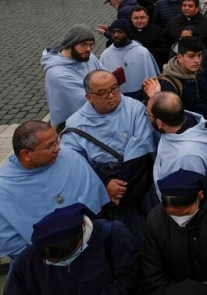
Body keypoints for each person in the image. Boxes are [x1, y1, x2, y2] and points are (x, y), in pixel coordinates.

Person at [0, 121, 109, 261]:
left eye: (57, 141)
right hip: (40, 265)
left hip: (89, 245)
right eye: (50, 146)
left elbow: (93, 199)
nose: (58, 148)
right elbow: (10, 244)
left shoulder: (70, 157)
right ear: (26, 154)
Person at [60, 70, 157, 241]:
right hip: (104, 191)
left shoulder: (135, 108)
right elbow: (75, 163)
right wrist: (104, 184)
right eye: (102, 93)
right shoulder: (75, 123)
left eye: (114, 89)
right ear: (89, 97)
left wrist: (118, 189)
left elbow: (141, 150)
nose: (111, 96)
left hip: (136, 185)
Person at [143, 169, 207, 294]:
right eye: (173, 215)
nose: (179, 220)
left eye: (185, 213)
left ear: (200, 196)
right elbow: (153, 272)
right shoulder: (155, 221)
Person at [7, 203, 139, 295]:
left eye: (65, 258)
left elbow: (130, 275)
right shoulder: (27, 261)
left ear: (82, 234)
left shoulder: (113, 235)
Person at [145, 36, 207, 134]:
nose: (197, 60)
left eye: (199, 55)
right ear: (180, 57)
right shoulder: (169, 83)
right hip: (188, 135)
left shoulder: (201, 72)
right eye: (191, 56)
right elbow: (172, 117)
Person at [148, 92, 207, 191]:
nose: (147, 117)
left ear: (159, 123)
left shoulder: (188, 157)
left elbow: (191, 193)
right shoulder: (176, 120)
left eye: (148, 114)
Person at [41, 24, 103, 128]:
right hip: (73, 125)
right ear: (70, 44)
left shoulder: (87, 56)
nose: (88, 49)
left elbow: (106, 75)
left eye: (91, 45)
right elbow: (87, 102)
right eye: (83, 44)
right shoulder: (57, 75)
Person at [99, 19, 160, 100]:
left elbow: (153, 78)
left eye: (120, 32)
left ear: (127, 33)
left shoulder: (142, 52)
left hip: (140, 96)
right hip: (116, 97)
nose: (116, 35)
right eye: (113, 32)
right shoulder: (105, 55)